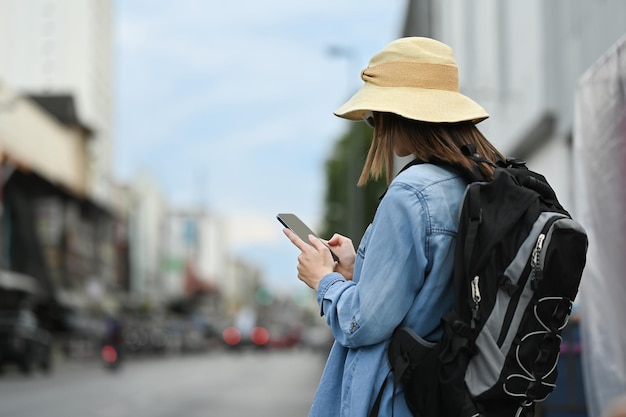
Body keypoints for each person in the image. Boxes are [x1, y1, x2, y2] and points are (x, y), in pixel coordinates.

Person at [282, 37, 505, 417]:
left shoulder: (412, 194)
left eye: (374, 116)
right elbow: (431, 293)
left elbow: (361, 323)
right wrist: (358, 270)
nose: (375, 128)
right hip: (458, 392)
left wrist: (324, 281)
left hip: (404, 399)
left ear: (396, 113)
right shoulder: (482, 181)